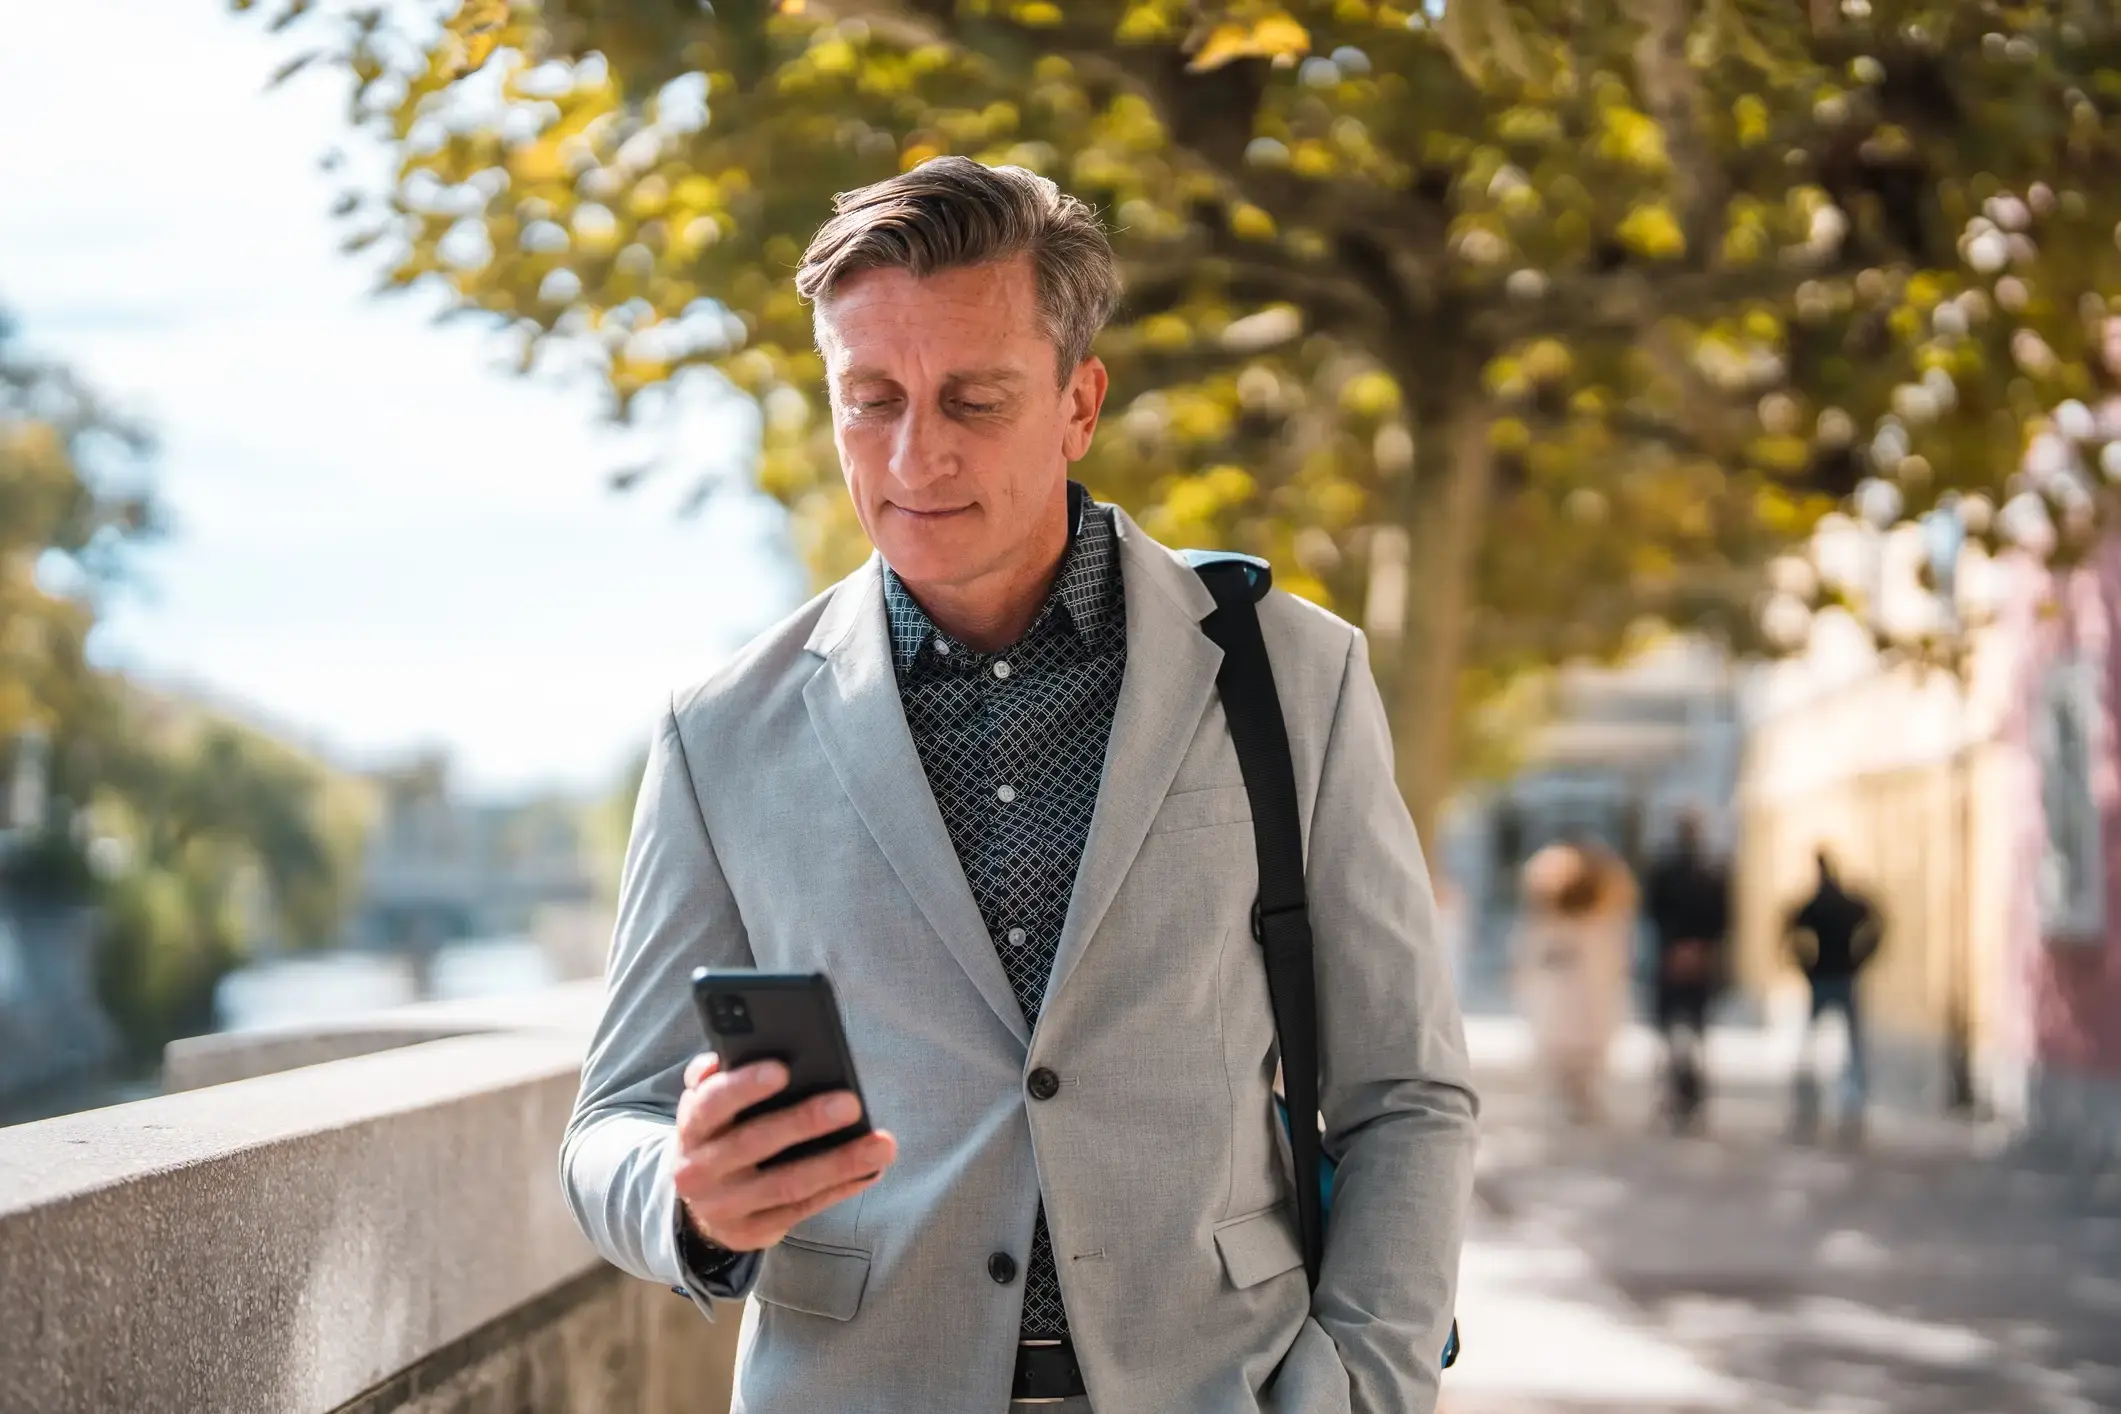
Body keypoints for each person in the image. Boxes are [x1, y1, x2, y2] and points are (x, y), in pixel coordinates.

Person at [560, 158, 1476, 1414]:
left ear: (1079, 403)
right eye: (868, 399)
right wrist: (686, 1193)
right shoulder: (720, 734)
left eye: (975, 400)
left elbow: (1407, 1093)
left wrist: (1362, 1388)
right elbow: (608, 1120)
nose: (914, 452)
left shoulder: (1296, 678)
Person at [1511, 838, 1635, 1126]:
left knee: (1575, 1046)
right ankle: (1576, 1095)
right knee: (1576, 1046)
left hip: (1573, 995)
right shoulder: (1581, 920)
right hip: (1571, 995)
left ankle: (1577, 1095)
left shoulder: (1596, 921)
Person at [1641, 809, 1731, 1131]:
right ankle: (1679, 1098)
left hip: (1680, 959)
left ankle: (1682, 1098)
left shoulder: (1687, 872)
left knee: (1680, 1035)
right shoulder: (1705, 872)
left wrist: (1685, 948)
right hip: (1686, 959)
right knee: (1686, 1035)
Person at [1784, 850, 1882, 1138]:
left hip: (1829, 976)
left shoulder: (1820, 904)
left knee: (1818, 1047)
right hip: (1840, 975)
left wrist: (1805, 963)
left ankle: (1813, 1105)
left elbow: (1788, 931)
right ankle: (1848, 1107)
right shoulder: (1841, 903)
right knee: (1848, 1048)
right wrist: (1859, 958)